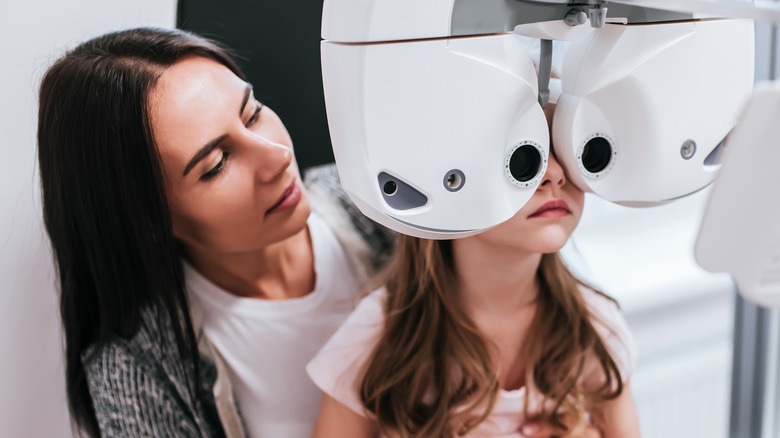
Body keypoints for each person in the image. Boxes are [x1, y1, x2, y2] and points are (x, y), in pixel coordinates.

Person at [37, 27, 395, 437]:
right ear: (149, 222)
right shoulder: (141, 370)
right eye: (217, 164)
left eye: (253, 113)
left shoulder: (384, 205)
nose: (277, 157)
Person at [307, 102, 641, 437]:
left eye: (567, 149)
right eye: (522, 157)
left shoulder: (593, 327)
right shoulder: (381, 335)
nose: (555, 173)